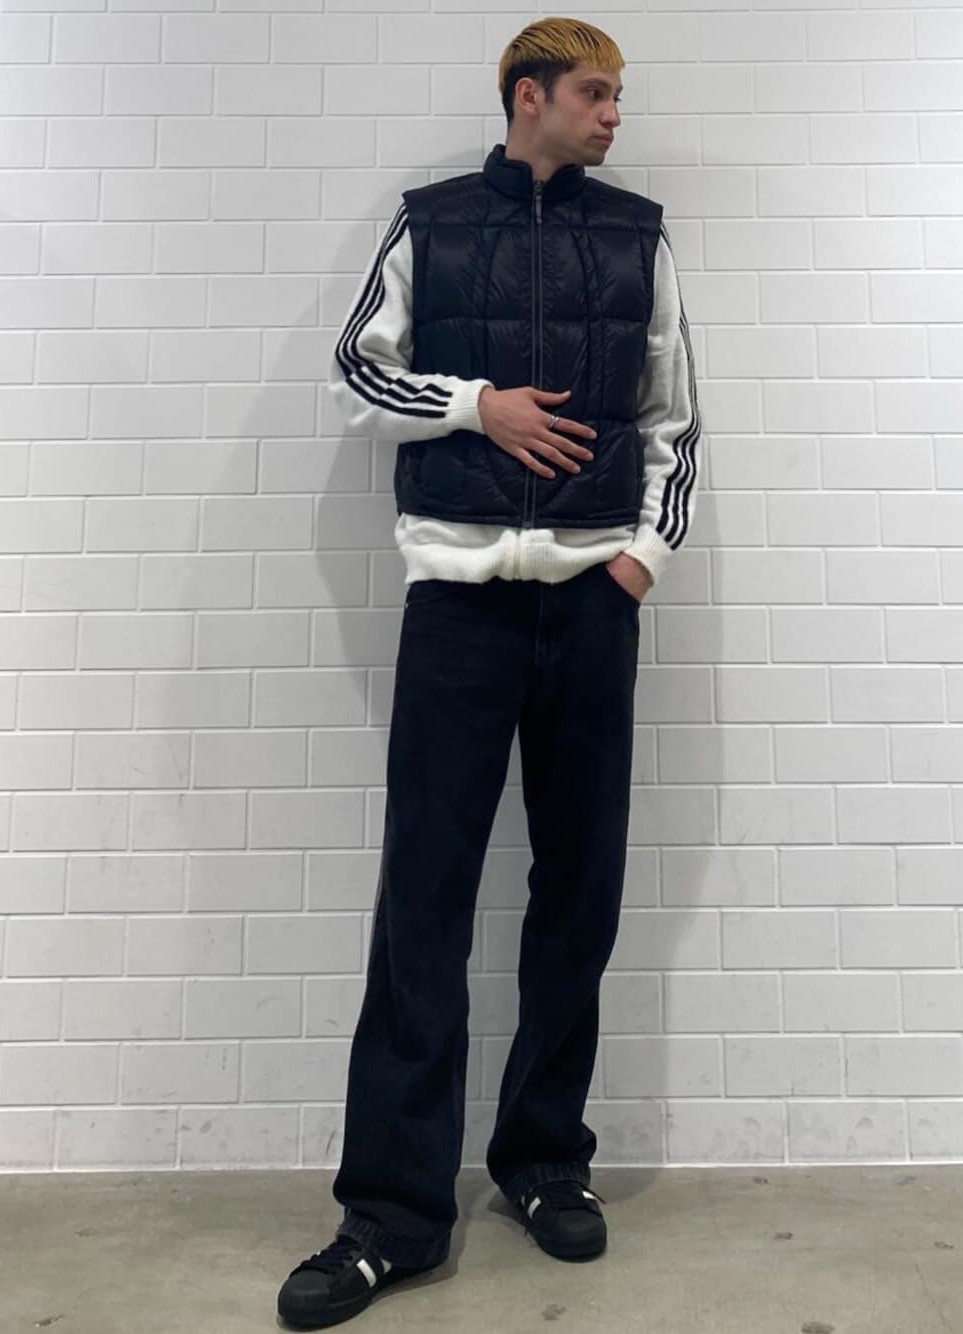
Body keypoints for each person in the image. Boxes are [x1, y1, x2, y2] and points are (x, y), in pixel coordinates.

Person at [277, 15, 702, 1329]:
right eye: (596, 93)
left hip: (591, 608)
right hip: (457, 608)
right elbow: (355, 372)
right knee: (425, 900)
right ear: (529, 97)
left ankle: (543, 1158)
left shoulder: (637, 236)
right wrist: (477, 405)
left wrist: (638, 563)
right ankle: (391, 1215)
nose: (615, 114)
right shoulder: (432, 222)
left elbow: (675, 418)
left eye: (618, 95)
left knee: (579, 892)